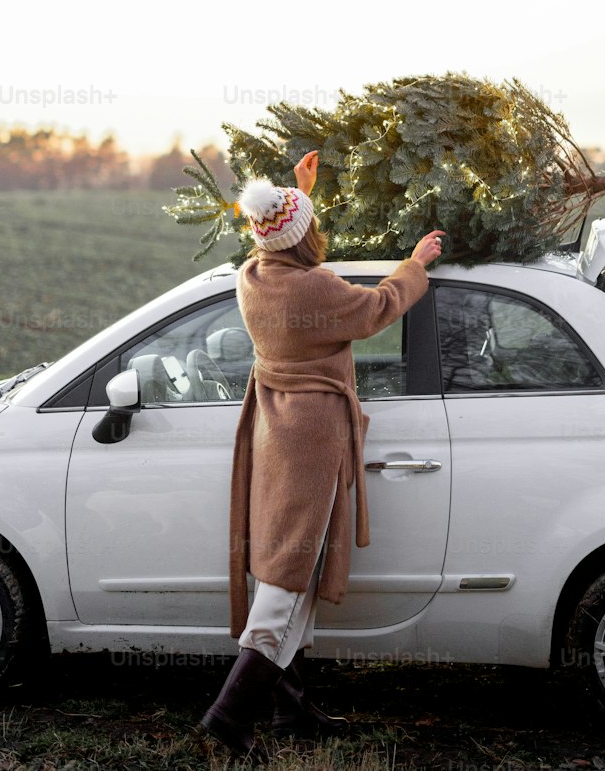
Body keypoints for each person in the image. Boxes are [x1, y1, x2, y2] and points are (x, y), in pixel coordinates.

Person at [199, 149, 444, 758]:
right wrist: (413, 265)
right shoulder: (314, 287)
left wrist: (299, 189)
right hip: (311, 437)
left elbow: (279, 236)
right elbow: (376, 308)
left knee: (288, 564)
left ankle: (290, 710)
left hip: (277, 429)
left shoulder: (255, 275)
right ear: (304, 236)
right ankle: (230, 715)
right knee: (288, 574)